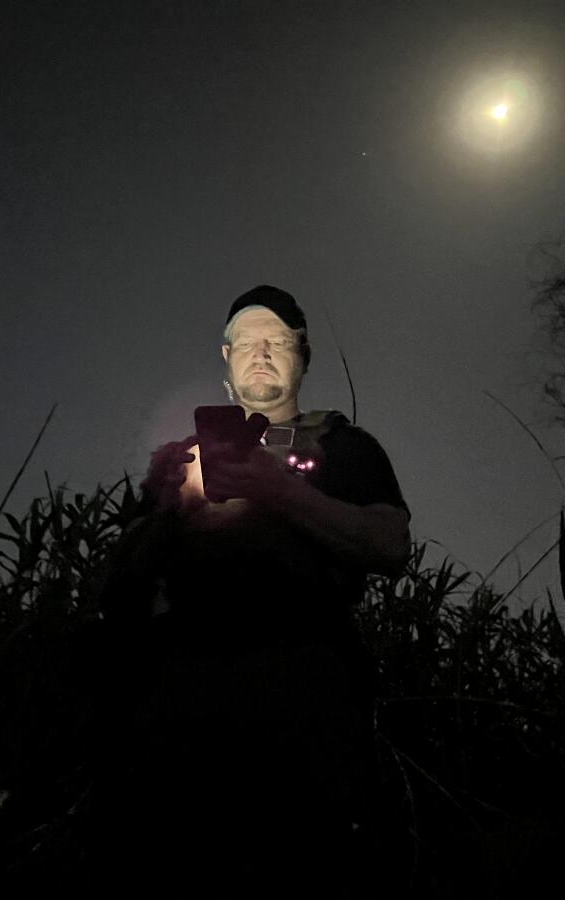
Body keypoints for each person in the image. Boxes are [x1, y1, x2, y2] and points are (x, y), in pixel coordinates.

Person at [91, 285, 409, 897]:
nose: (261, 353)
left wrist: (278, 491)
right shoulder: (183, 458)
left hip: (309, 690)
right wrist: (168, 508)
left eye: (278, 341)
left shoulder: (346, 446)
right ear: (226, 356)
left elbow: (390, 544)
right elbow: (117, 585)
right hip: (182, 689)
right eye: (247, 341)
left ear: (303, 356)